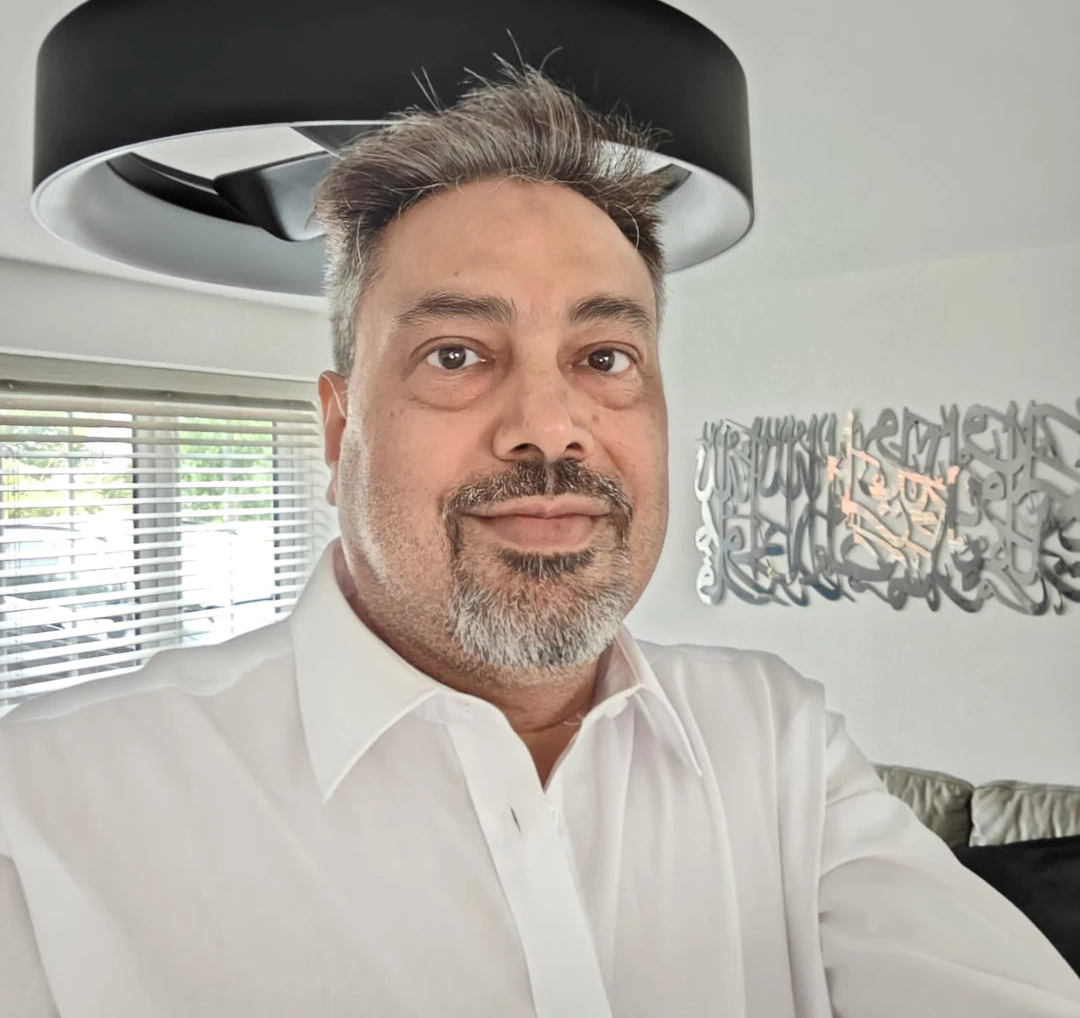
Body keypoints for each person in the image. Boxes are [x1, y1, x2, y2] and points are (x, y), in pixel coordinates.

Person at [2, 65, 1079, 1018]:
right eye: (456, 354)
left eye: (605, 358)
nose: (551, 425)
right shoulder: (46, 811)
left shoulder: (775, 742)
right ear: (338, 433)